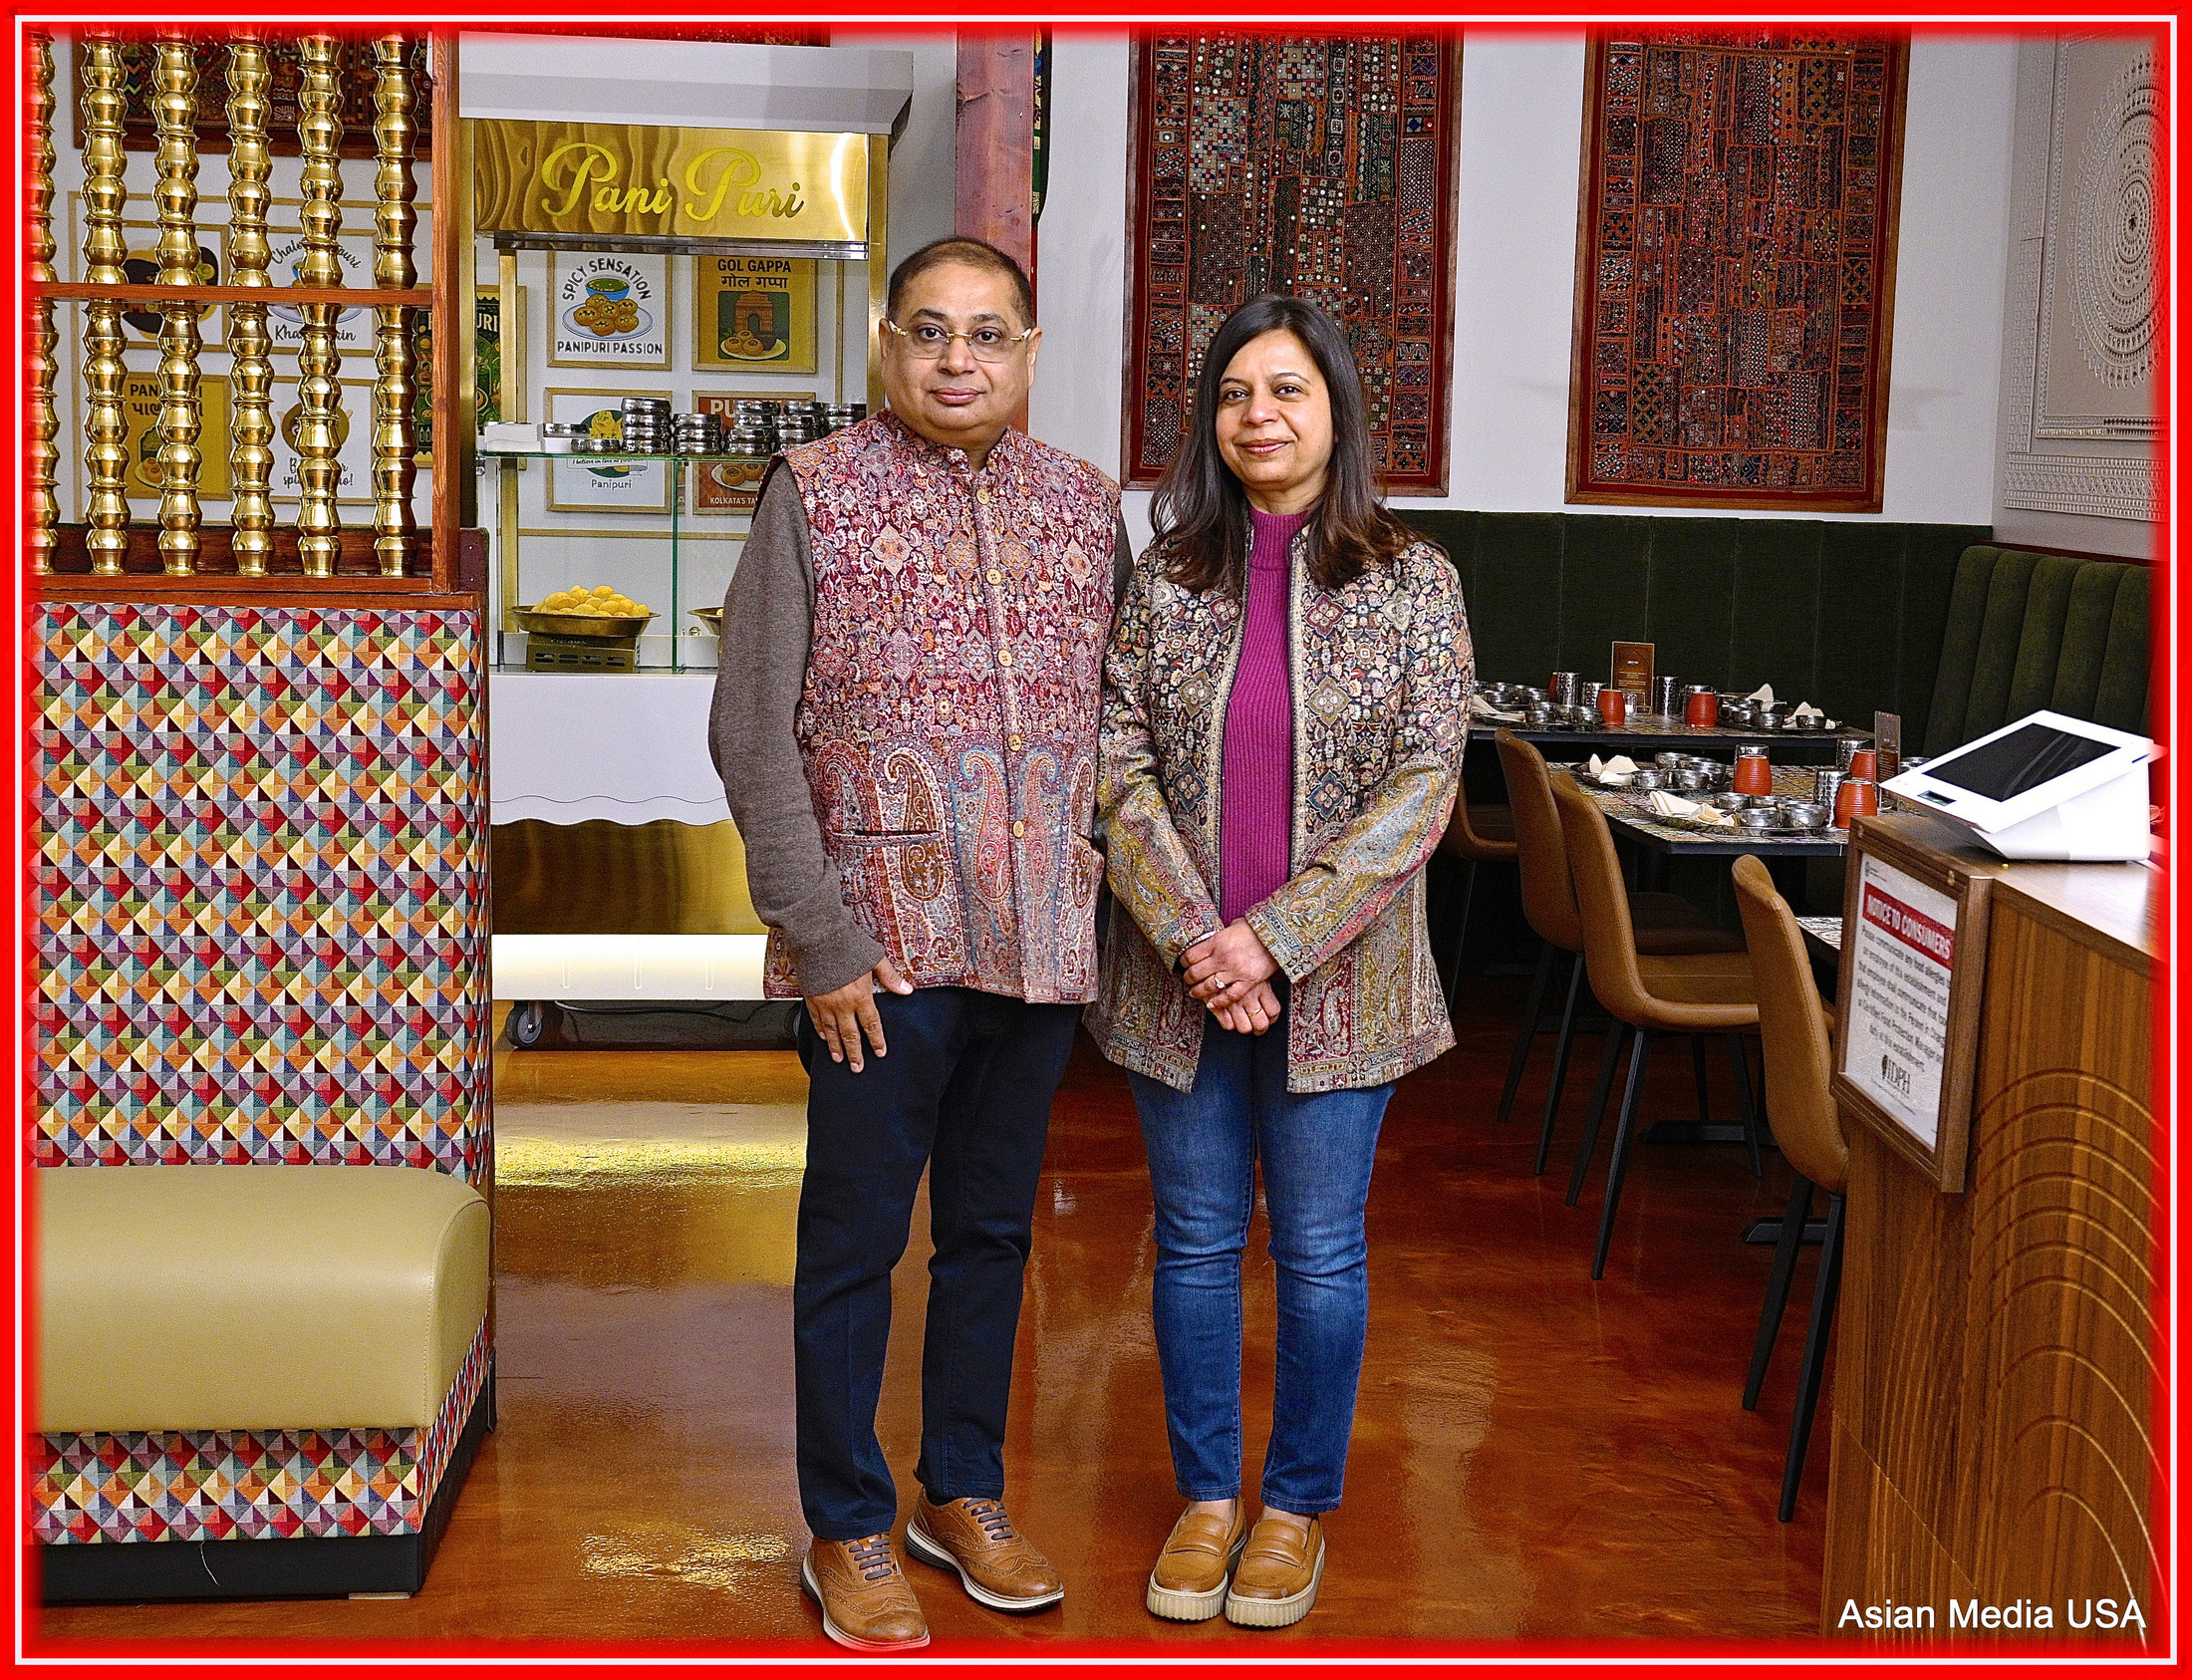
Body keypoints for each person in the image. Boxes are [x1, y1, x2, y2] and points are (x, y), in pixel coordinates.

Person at [711, 236, 1127, 1653]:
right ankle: (845, 1520)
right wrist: (821, 940)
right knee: (853, 1242)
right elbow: (750, 731)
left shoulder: (1083, 505)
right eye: (932, 332)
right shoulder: (814, 493)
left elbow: (1118, 726)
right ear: (888, 346)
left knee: (992, 1235)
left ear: (1028, 352)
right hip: (875, 960)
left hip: (1035, 946)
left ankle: (963, 1489)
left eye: (988, 334)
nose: (960, 358)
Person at [1086, 295, 1472, 1629]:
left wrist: (1276, 938)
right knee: (1194, 1245)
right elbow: (1115, 760)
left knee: (1317, 1253)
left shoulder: (1413, 581)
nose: (1260, 415)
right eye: (1236, 392)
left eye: (1288, 389)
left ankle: (1294, 1505)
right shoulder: (1166, 578)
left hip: (1344, 985)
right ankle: (1207, 1499)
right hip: (1179, 976)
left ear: (1336, 409)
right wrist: (1201, 941)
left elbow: (1424, 786)